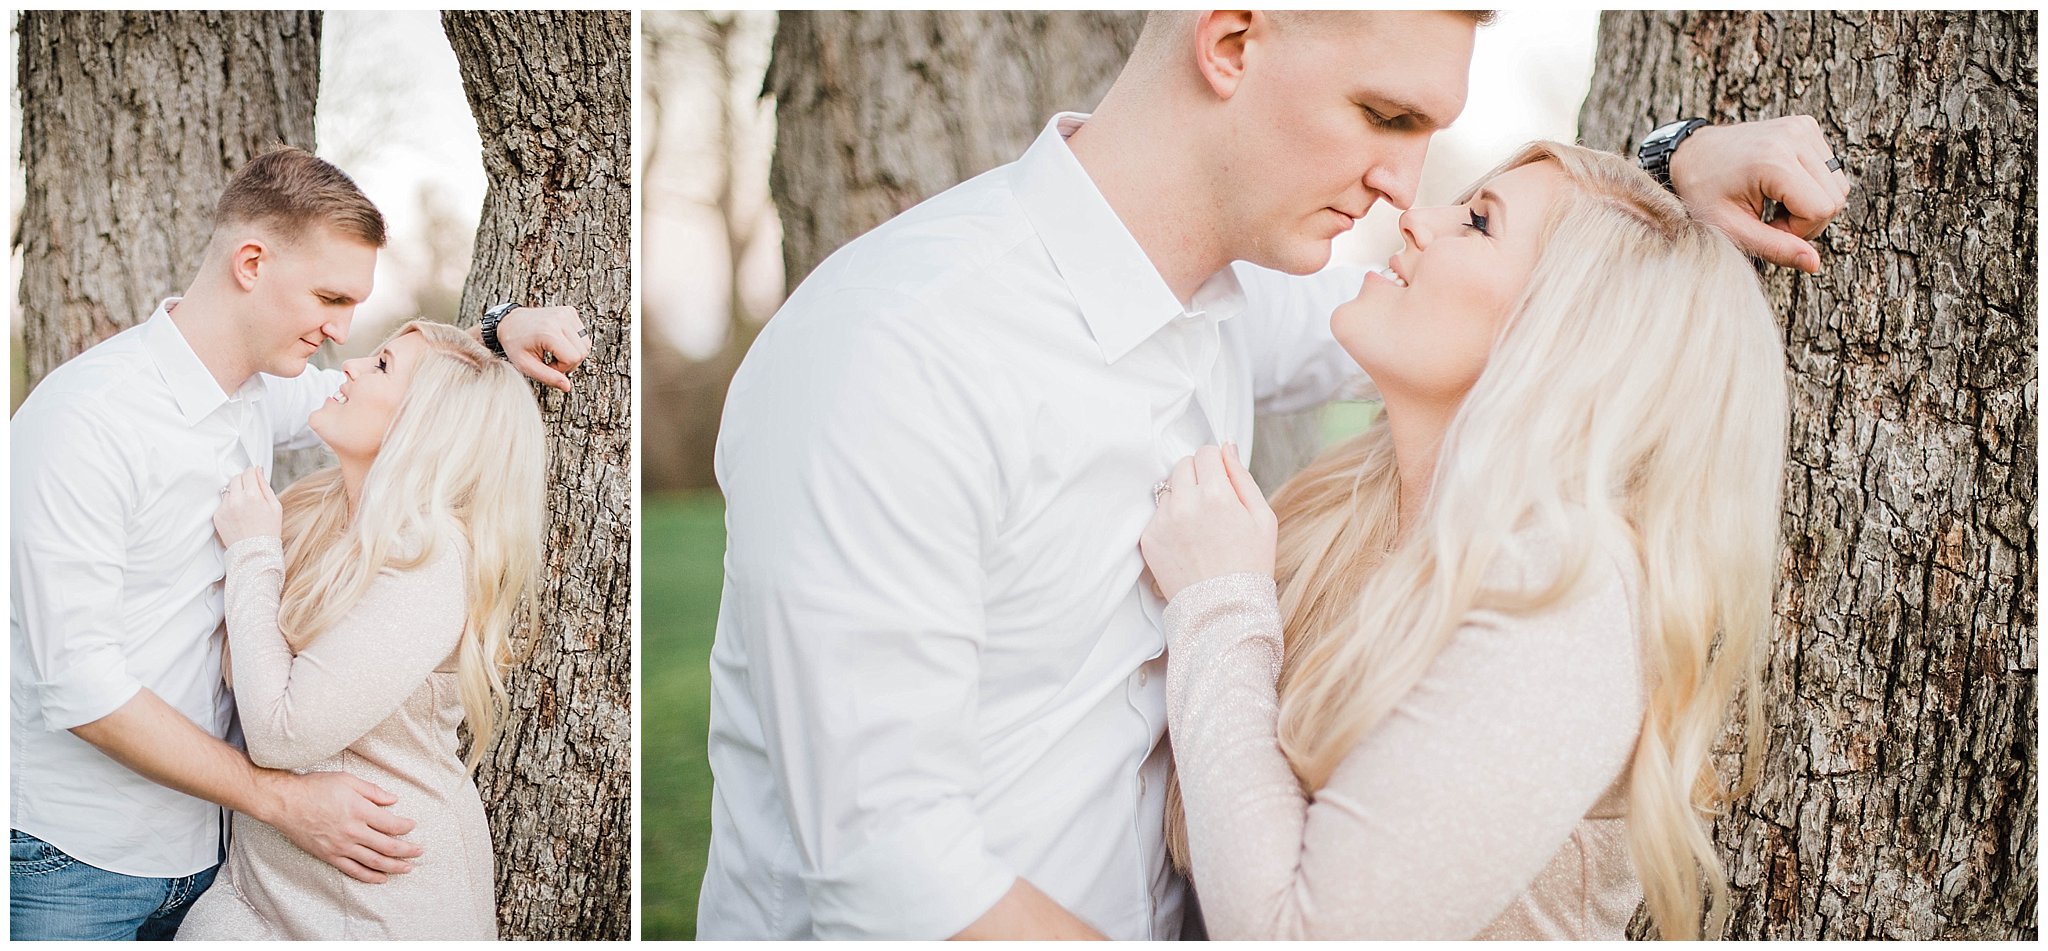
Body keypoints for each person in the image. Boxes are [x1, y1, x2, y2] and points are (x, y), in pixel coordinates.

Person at [699, 11, 1848, 939]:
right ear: (1232, 43)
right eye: (1382, 114)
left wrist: (1660, 184)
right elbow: (888, 872)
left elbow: (1534, 315)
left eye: (1430, 141)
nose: (1405, 193)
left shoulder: (1216, 312)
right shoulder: (901, 349)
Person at [1140, 141, 1787, 940]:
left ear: (1561, 333)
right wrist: (1673, 158)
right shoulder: (1359, 515)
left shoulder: (1570, 594)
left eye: (1478, 221)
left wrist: (1218, 605)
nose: (1415, 219)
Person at [10, 147, 587, 940]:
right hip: (79, 863)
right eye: (330, 295)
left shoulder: (259, 393)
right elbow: (81, 686)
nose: (342, 333)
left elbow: (414, 405)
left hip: (213, 853)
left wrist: (494, 334)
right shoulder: (87, 420)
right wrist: (279, 800)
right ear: (251, 262)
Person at [173, 320, 545, 939]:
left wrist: (254, 554)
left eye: (380, 367)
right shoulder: (309, 511)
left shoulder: (431, 561)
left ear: (423, 425)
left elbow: (281, 734)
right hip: (260, 881)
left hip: (379, 898)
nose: (346, 365)